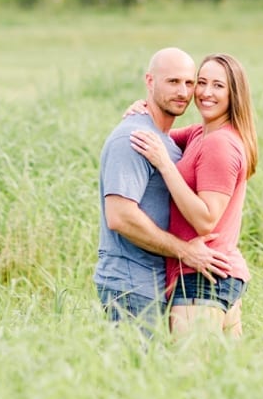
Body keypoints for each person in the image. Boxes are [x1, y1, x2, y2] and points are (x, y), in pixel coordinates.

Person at [93, 47, 232, 333]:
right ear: (150, 81)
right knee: (133, 373)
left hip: (157, 285)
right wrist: (185, 252)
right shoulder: (133, 138)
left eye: (189, 82)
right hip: (130, 285)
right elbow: (120, 217)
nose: (183, 91)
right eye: (172, 82)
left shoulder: (166, 142)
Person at [128, 53, 258, 339]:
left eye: (218, 86)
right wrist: (142, 109)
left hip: (203, 279)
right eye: (201, 82)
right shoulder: (201, 133)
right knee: (225, 379)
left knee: (192, 377)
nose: (205, 93)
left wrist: (164, 164)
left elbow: (205, 220)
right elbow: (159, 134)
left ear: (234, 93)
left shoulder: (220, 144)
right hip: (212, 276)